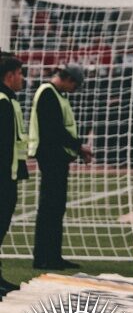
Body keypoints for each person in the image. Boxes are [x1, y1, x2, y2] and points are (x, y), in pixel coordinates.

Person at [30, 64, 92, 270]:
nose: (74, 90)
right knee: (50, 207)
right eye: (75, 85)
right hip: (51, 157)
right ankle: (43, 257)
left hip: (56, 157)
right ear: (68, 80)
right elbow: (54, 129)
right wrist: (78, 146)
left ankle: (52, 255)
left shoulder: (57, 95)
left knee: (55, 207)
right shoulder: (48, 94)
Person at [0, 56, 29, 294]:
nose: (22, 78)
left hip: (8, 175)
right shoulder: (3, 102)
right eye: (20, 73)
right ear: (10, 75)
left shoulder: (9, 101)